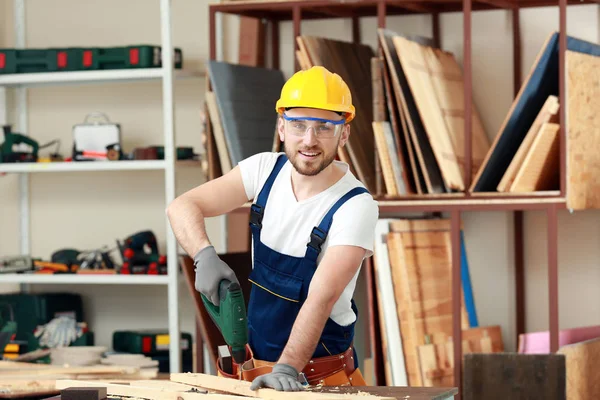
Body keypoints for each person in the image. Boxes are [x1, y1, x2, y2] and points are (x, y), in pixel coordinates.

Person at [166, 66, 379, 392]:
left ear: (344, 133)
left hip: (319, 379)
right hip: (255, 375)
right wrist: (203, 255)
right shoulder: (264, 170)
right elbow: (182, 206)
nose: (310, 140)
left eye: (325, 127)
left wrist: (288, 368)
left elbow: (320, 299)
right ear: (282, 127)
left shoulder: (355, 205)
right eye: (298, 125)